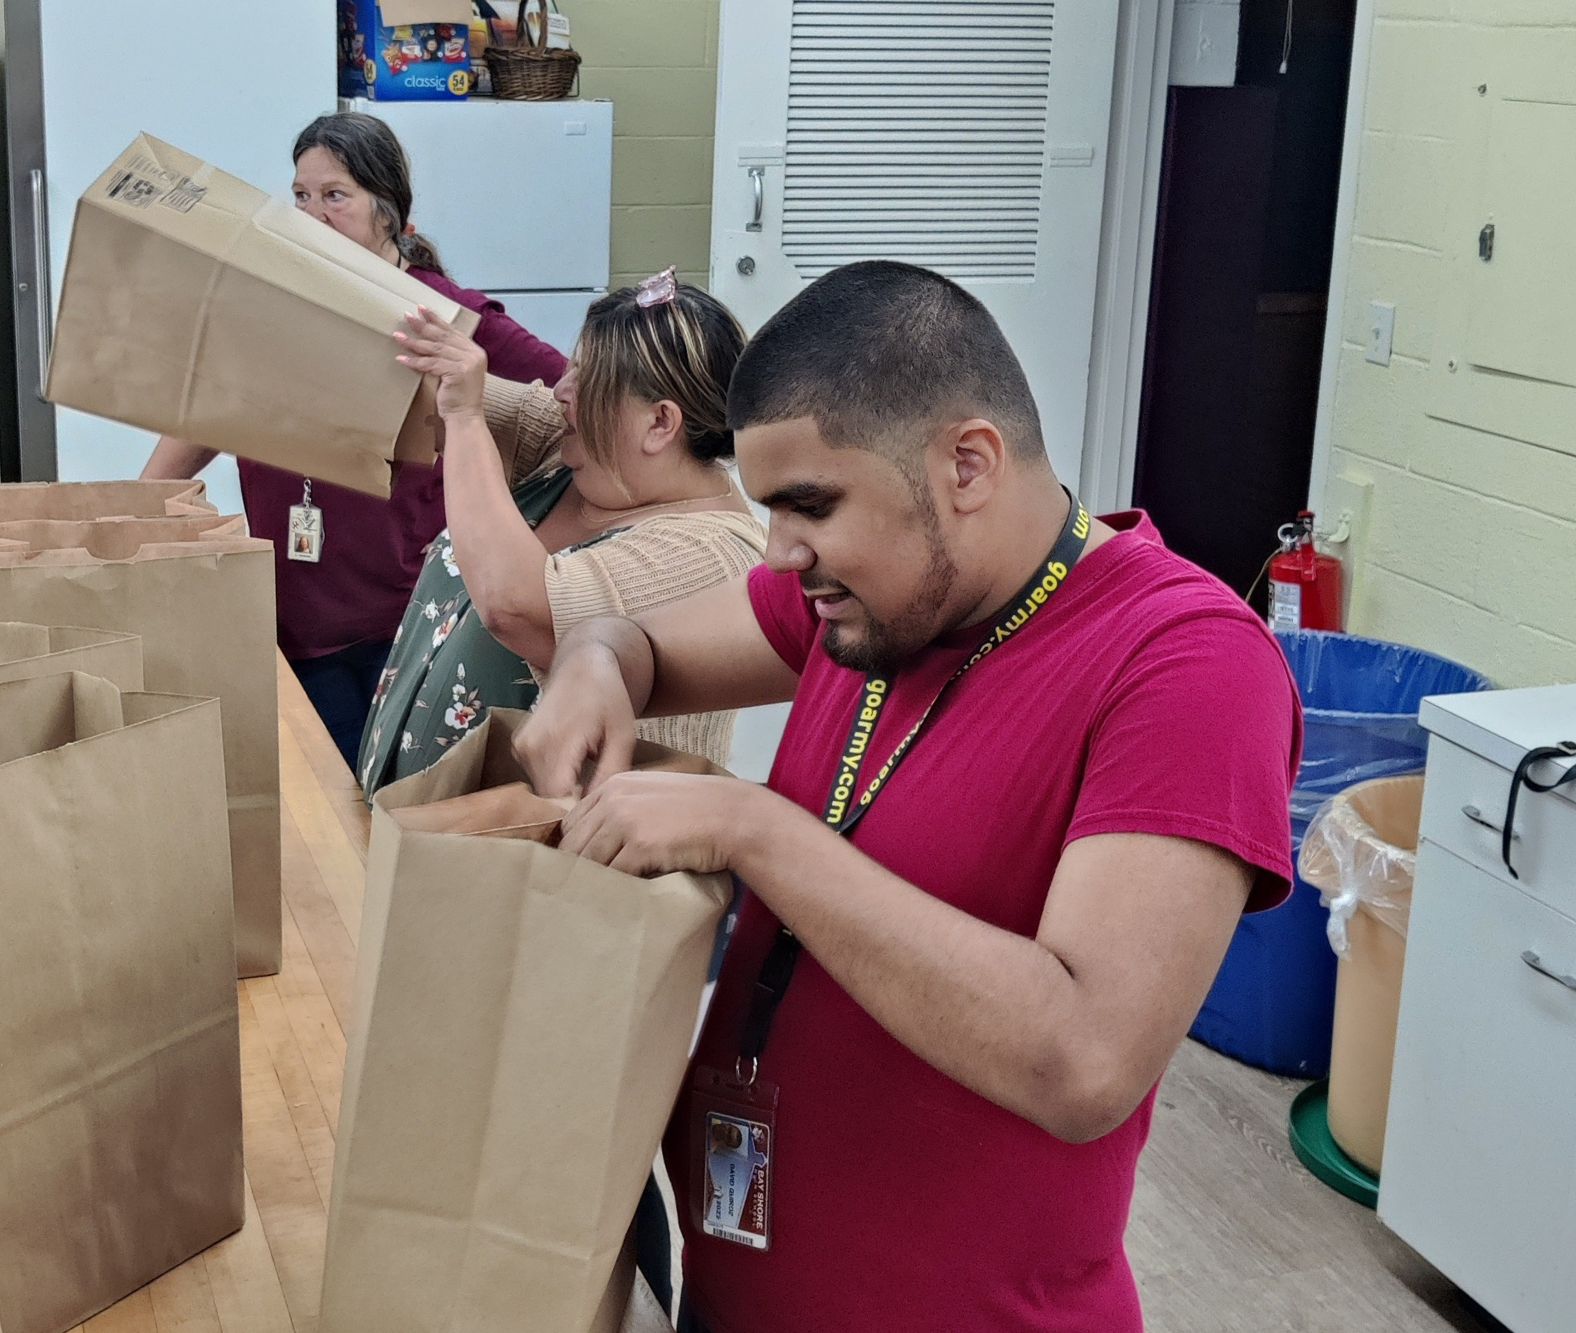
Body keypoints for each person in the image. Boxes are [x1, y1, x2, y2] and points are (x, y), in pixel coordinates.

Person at [514, 261, 1304, 1332]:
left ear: (966, 464)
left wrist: (752, 827)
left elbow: (1083, 1056)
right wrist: (592, 664)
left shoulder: (1184, 662)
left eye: (810, 507)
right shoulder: (864, 601)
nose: (782, 553)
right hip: (738, 1284)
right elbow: (638, 643)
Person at [142, 112, 566, 765]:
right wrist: (133, 510)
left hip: (408, 631)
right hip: (290, 621)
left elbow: (571, 395)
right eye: (301, 196)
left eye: (335, 196)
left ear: (389, 212)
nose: (312, 216)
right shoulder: (266, 305)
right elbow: (206, 417)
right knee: (320, 815)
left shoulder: (439, 315)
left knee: (382, 816)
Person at [356, 269, 765, 799]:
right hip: (420, 825)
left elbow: (517, 606)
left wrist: (465, 417)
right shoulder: (572, 450)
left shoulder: (713, 554)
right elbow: (422, 388)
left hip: (541, 866)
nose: (560, 391)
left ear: (660, 423)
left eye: (586, 378)